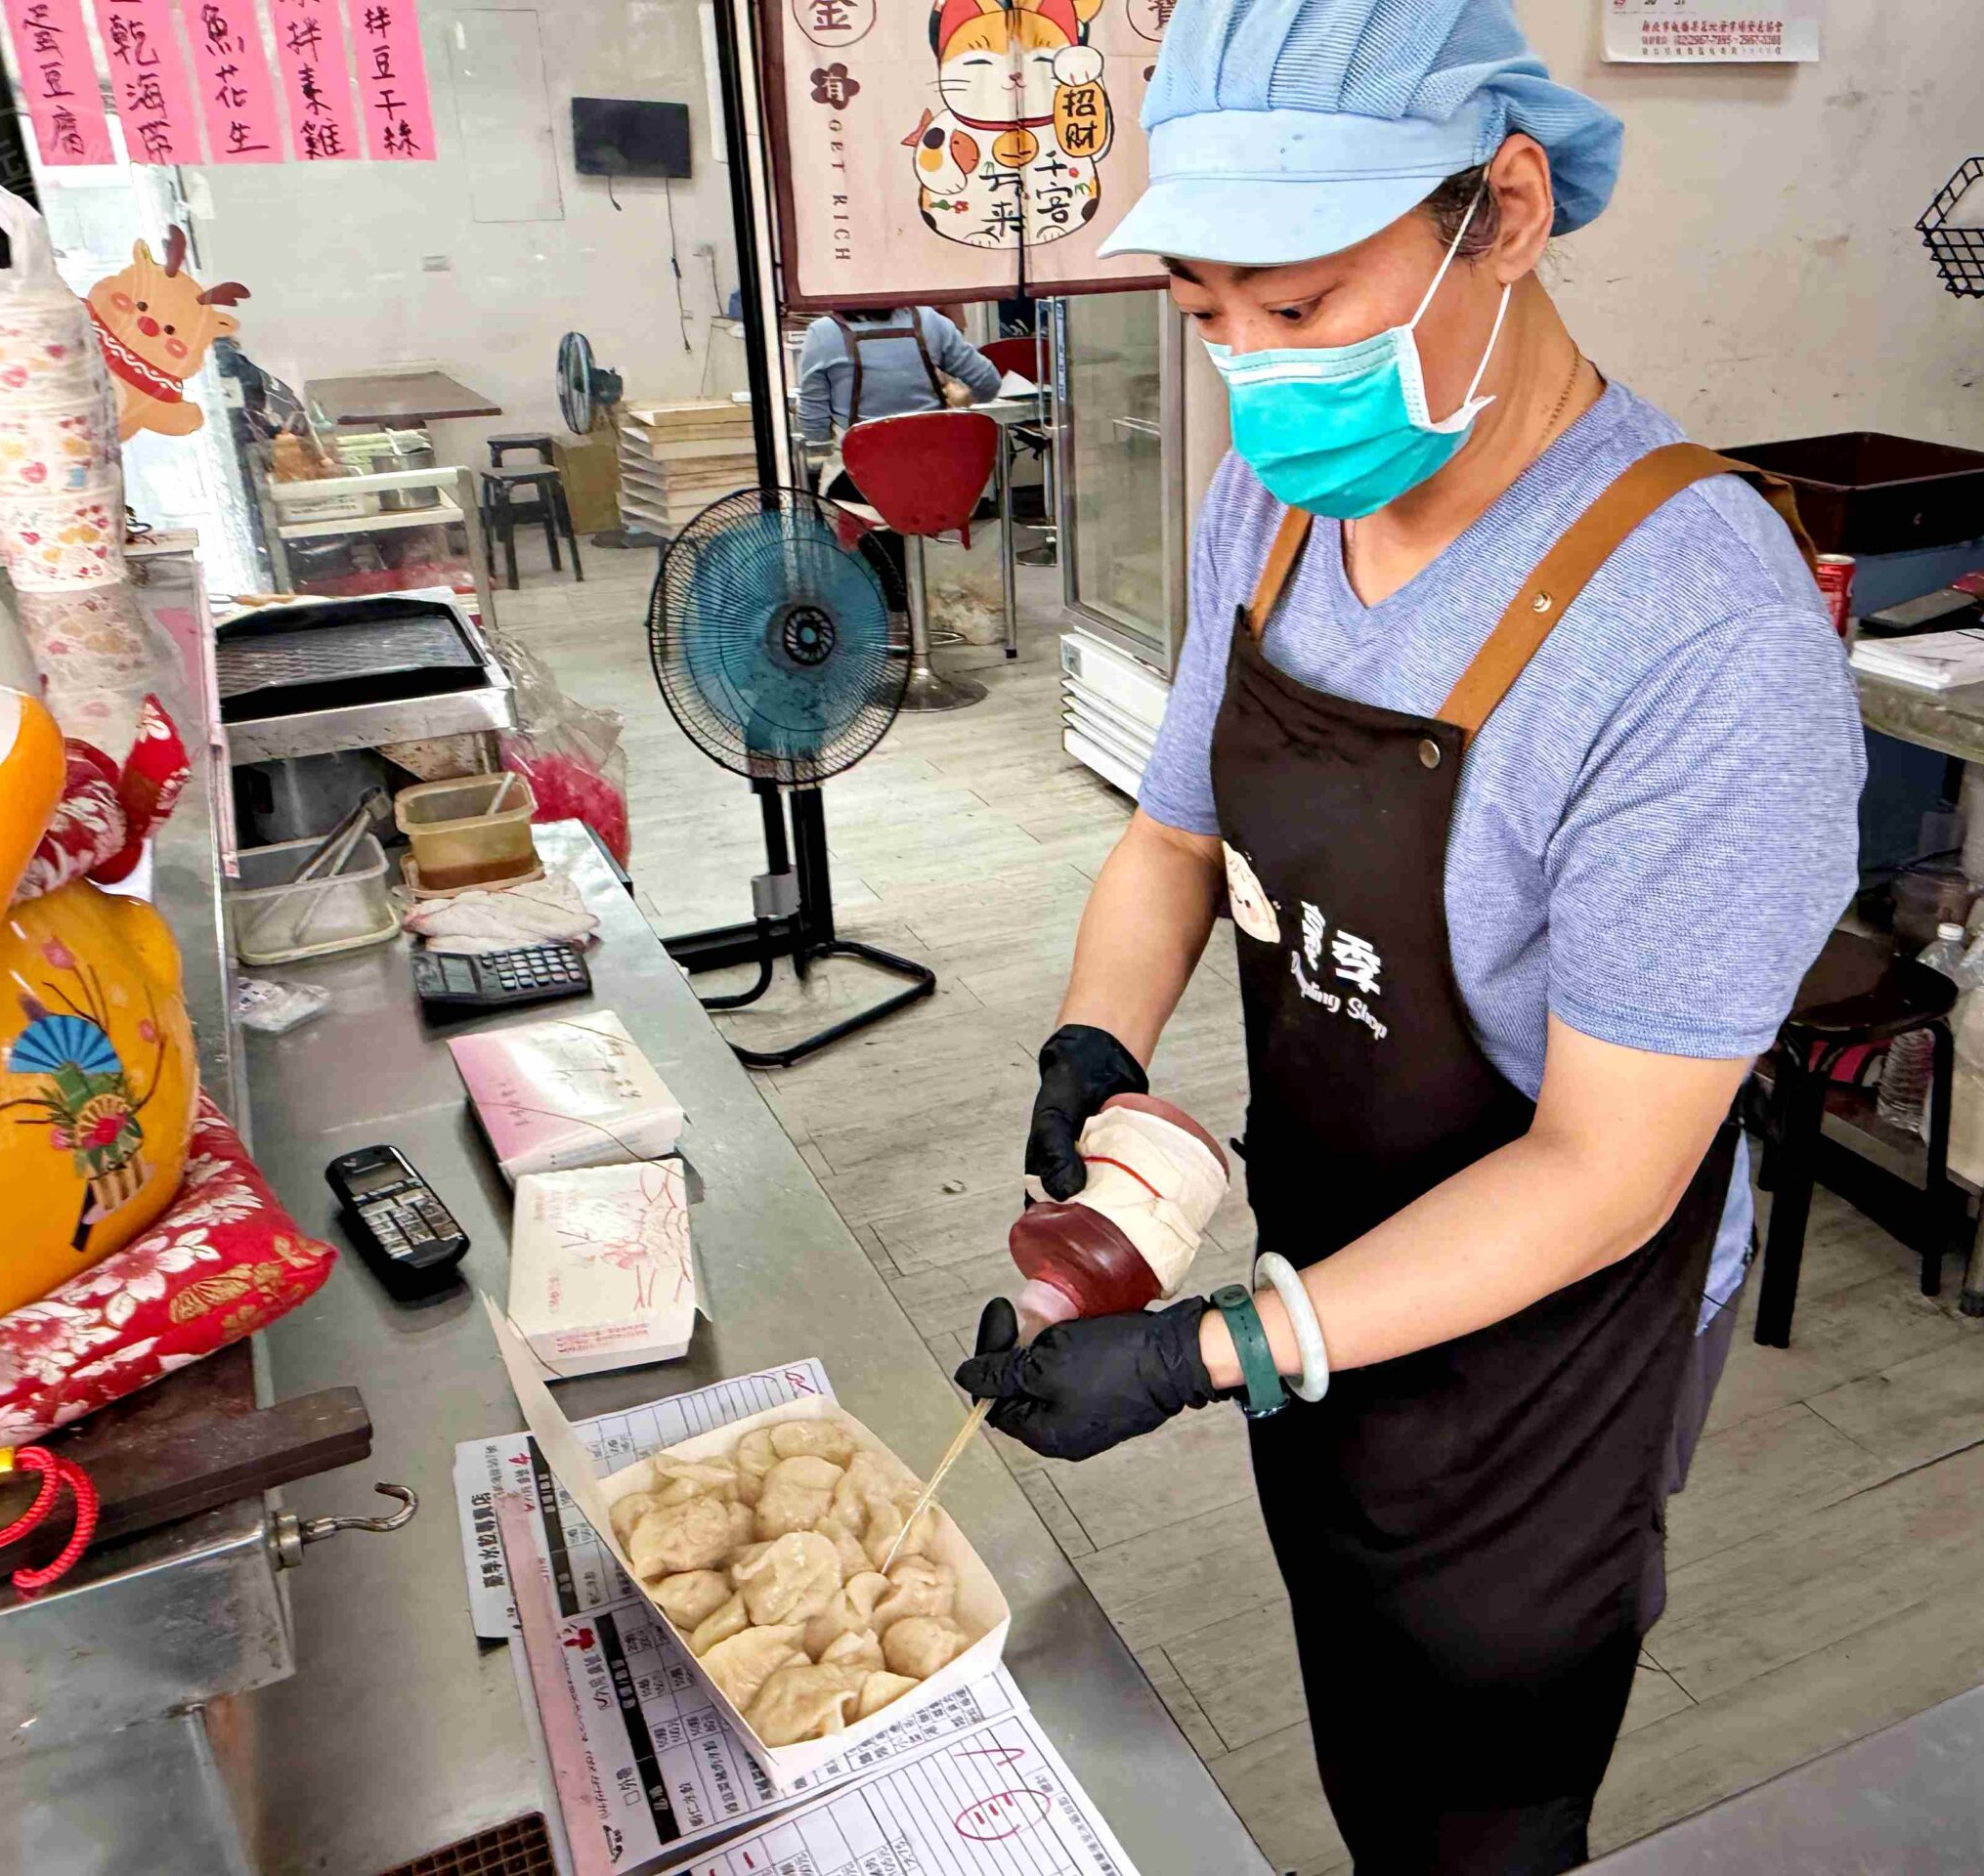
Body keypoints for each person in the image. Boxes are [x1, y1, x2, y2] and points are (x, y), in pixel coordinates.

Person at [951, 2, 1866, 1869]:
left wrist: (1213, 1354)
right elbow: (1174, 829)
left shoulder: (1699, 635)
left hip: (1547, 1354)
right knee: (1352, 1676)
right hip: (1326, 1262)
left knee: (1475, 1759)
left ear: (1507, 210)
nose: (1257, 375)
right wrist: (1096, 1041)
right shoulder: (1274, 508)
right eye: (1212, 314)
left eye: (1299, 307)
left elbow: (1608, 1169)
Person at [797, 306, 1002, 613]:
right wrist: (962, 398)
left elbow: (812, 429)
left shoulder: (823, 334)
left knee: (819, 486)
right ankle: (909, 599)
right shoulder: (931, 322)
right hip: (945, 484)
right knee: (899, 506)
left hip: (865, 486)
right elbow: (989, 382)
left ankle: (888, 602)